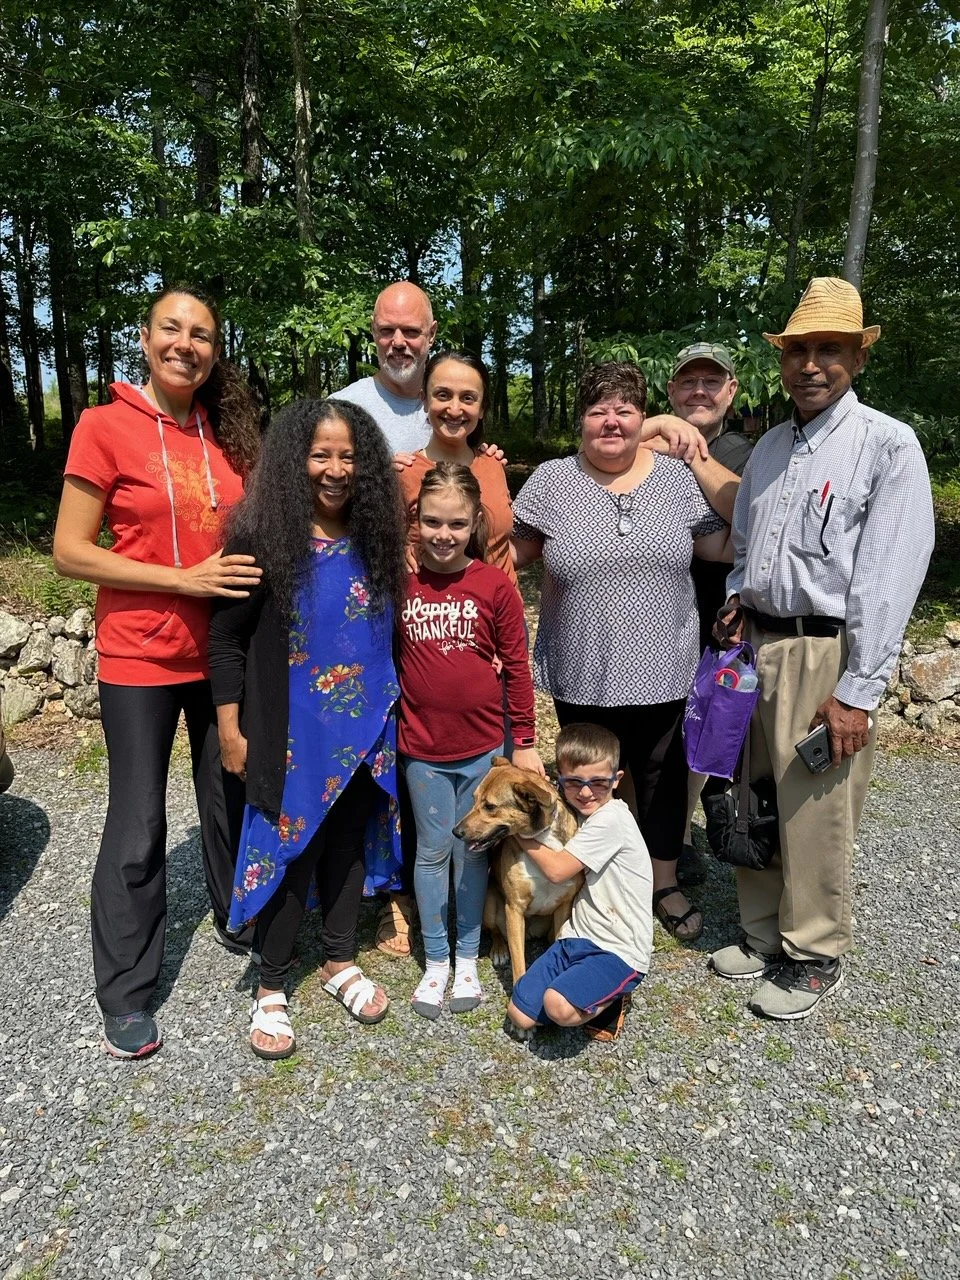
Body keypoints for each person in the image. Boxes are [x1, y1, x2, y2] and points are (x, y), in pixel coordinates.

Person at [710, 277, 935, 1020]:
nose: (810, 365)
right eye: (798, 350)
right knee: (755, 796)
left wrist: (859, 690)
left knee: (814, 808)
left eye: (829, 350)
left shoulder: (886, 445)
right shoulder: (771, 448)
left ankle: (813, 951)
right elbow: (747, 548)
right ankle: (761, 930)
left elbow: (889, 576)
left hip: (824, 653)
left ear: (858, 357)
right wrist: (737, 598)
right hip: (758, 648)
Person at [53, 285, 262, 1060]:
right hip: (140, 653)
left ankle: (236, 913)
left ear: (214, 351)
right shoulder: (103, 426)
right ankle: (126, 990)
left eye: (201, 334)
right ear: (145, 339)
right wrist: (182, 580)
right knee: (139, 822)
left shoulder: (227, 433)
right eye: (171, 329)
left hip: (221, 652)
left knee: (231, 791)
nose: (186, 344)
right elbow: (69, 551)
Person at [511, 361, 739, 943]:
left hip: (665, 666)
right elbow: (509, 553)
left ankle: (664, 883)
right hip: (581, 666)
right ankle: (588, 877)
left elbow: (726, 544)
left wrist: (695, 454)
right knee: (586, 779)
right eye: (598, 412)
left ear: (643, 418)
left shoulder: (677, 479)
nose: (611, 422)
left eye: (625, 410)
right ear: (580, 422)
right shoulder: (551, 481)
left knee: (662, 778)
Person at [208, 399, 408, 1058]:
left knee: (347, 845)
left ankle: (338, 959)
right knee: (290, 853)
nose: (336, 469)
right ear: (296, 460)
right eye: (321, 454)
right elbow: (226, 639)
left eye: (349, 456)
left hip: (366, 729)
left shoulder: (378, 536)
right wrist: (231, 728)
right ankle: (271, 984)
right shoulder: (263, 537)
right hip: (292, 734)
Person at [398, 463, 543, 1019]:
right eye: (432, 522)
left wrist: (524, 739)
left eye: (457, 524)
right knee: (432, 852)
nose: (444, 535)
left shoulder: (493, 585)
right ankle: (436, 959)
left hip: (483, 749)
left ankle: (467, 955)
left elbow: (517, 666)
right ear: (416, 520)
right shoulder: (400, 583)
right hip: (423, 751)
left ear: (476, 522)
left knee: (472, 850)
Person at [662, 342, 753, 887]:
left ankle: (681, 834)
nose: (699, 391)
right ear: (671, 390)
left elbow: (745, 513)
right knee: (656, 725)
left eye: (711, 381)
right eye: (688, 381)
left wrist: (693, 453)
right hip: (652, 606)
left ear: (731, 391)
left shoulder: (746, 453)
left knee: (697, 721)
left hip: (713, 608)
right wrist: (657, 428)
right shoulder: (649, 439)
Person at [506, 722, 653, 1043]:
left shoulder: (612, 820)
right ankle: (583, 990)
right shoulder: (582, 813)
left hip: (617, 947)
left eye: (598, 782)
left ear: (617, 779)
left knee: (557, 1006)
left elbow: (558, 871)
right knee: (519, 1014)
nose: (585, 792)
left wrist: (519, 832)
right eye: (574, 782)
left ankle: (613, 999)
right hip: (575, 936)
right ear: (559, 779)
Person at [397, 350, 518, 586]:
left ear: (482, 408)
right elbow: (380, 550)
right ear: (424, 400)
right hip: (436, 606)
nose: (454, 409)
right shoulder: (404, 473)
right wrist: (401, 554)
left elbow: (501, 546)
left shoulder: (494, 464)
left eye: (468, 398)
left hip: (504, 606)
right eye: (443, 395)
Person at [329, 281, 437, 455]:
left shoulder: (453, 410)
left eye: (410, 331)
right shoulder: (340, 411)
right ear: (373, 330)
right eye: (387, 330)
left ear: (431, 334)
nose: (398, 342)